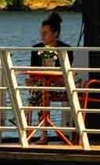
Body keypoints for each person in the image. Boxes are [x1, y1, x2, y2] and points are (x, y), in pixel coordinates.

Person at [26, 12, 75, 143]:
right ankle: (42, 135)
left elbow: (66, 75)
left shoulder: (65, 49)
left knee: (41, 91)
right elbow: (33, 73)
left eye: (45, 33)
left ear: (55, 34)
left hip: (59, 86)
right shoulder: (36, 49)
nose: (42, 36)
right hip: (42, 86)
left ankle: (28, 116)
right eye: (41, 33)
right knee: (42, 90)